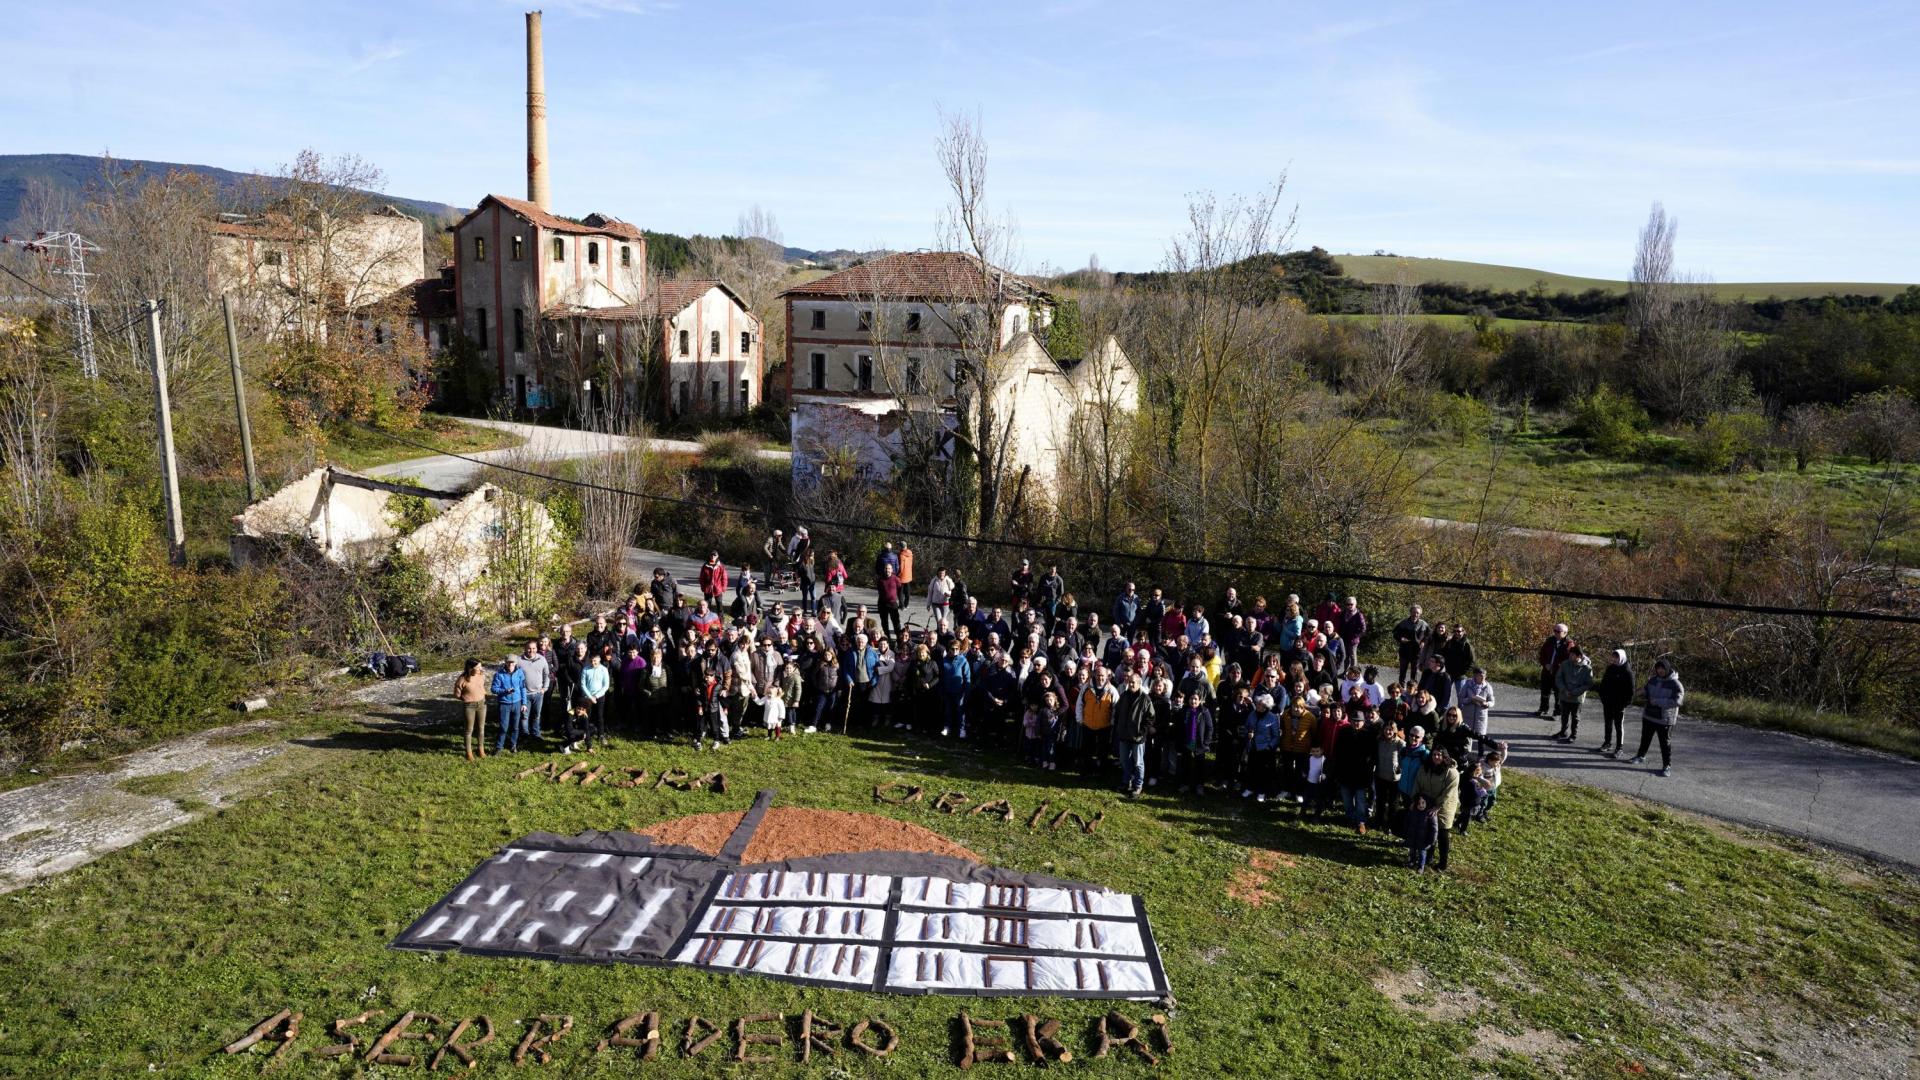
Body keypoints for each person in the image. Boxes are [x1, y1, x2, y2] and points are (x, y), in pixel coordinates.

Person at [1632, 658, 1684, 776]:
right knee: (1645, 738)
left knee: (1665, 744)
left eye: (1662, 668)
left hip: (1665, 719)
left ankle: (1667, 766)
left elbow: (1678, 701)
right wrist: (1640, 693)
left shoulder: (1675, 684)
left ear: (1667, 668)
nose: (1660, 671)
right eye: (1658, 668)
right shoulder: (1653, 680)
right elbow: (1647, 692)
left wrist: (1659, 701)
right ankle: (1640, 756)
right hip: (1649, 715)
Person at [1413, 749, 1461, 871]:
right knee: (1429, 830)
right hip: (1427, 803)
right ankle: (1429, 857)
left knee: (1442, 833)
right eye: (1434, 754)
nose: (1436, 757)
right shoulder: (1425, 767)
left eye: (1439, 754)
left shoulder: (1452, 772)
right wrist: (1416, 799)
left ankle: (1443, 863)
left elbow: (1448, 793)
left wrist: (1438, 806)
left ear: (1445, 756)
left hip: (1444, 806)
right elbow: (1417, 783)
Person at [1113, 670, 1154, 797]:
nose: (1131, 685)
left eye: (1133, 683)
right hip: (1124, 735)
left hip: (1137, 737)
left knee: (1138, 762)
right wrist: (1118, 727)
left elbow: (1150, 717)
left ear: (1139, 683)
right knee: (1124, 760)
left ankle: (1138, 785)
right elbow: (1118, 711)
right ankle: (1126, 782)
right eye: (1129, 682)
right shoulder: (1124, 695)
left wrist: (1142, 732)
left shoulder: (1145, 698)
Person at [1076, 666, 1118, 776]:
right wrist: (1080, 719)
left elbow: (1115, 708)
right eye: (1098, 675)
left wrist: (1112, 722)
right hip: (1088, 724)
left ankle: (1101, 772)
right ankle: (1086, 771)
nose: (1100, 678)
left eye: (1103, 676)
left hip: (1104, 726)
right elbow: (1079, 704)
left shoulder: (1112, 690)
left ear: (1107, 676)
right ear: (1094, 675)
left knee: (1103, 751)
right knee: (1087, 750)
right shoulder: (1086, 687)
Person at [1553, 644, 1594, 743]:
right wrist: (1564, 690)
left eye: (1572, 655)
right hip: (1564, 695)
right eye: (1570, 654)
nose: (1570, 656)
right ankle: (1563, 731)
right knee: (1564, 715)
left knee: (1575, 717)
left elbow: (1588, 684)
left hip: (1577, 698)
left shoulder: (1587, 669)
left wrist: (1574, 692)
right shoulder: (1565, 664)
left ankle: (1573, 735)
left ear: (1579, 656)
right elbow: (1558, 678)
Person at [1598, 649, 1635, 757]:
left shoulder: (1627, 672)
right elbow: (1603, 684)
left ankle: (1619, 748)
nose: (1614, 659)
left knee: (1618, 726)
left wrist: (1625, 704)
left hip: (1619, 704)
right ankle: (1607, 743)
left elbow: (1631, 691)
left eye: (1617, 657)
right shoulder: (1610, 668)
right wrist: (1603, 697)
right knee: (1608, 724)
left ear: (1622, 657)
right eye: (1613, 657)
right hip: (1608, 702)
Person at [491, 654, 528, 754]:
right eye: (508, 662)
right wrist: (505, 691)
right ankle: (499, 747)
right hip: (504, 704)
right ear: (505, 662)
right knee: (504, 727)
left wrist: (524, 703)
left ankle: (513, 745)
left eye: (512, 662)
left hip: (517, 703)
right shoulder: (499, 674)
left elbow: (523, 688)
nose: (510, 664)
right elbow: (494, 689)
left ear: (516, 663)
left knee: (515, 727)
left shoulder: (520, 673)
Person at [1536, 622, 1574, 718]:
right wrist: (1545, 664)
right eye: (1555, 631)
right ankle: (1543, 709)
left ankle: (1557, 712)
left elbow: (1571, 660)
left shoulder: (1569, 644)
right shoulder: (1550, 641)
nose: (1556, 633)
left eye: (1558, 631)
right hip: (1547, 671)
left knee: (1558, 694)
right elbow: (1542, 654)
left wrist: (1558, 667)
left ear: (1565, 633)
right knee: (1545, 691)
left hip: (1559, 673)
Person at [574, 653, 609, 753]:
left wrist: (596, 696)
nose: (593, 663)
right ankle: (584, 735)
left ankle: (601, 735)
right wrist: (590, 697)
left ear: (599, 660)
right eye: (592, 661)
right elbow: (583, 684)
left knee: (599, 716)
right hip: (587, 697)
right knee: (586, 717)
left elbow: (606, 685)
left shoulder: (604, 670)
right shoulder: (585, 669)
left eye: (595, 661)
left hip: (599, 696)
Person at [454, 658, 488, 760]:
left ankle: (481, 749)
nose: (480, 669)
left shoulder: (481, 675)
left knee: (481, 728)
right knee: (469, 730)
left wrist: (483, 694)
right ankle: (469, 753)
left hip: (482, 704)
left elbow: (481, 686)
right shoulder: (462, 679)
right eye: (477, 667)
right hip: (469, 706)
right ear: (470, 668)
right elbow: (456, 694)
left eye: (480, 666)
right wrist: (466, 699)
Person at [518, 639, 551, 743]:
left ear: (536, 649)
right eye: (529, 648)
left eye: (533, 648)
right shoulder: (519, 660)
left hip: (538, 693)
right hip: (524, 694)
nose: (531, 650)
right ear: (525, 648)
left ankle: (536, 734)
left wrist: (545, 688)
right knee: (524, 716)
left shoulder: (541, 659)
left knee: (536, 715)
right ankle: (525, 735)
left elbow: (547, 674)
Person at [1455, 667, 1496, 750]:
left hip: (1481, 716)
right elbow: (1461, 698)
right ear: (1475, 676)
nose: (1482, 678)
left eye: (1484, 676)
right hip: (1467, 715)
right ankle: (1466, 753)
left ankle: (1480, 757)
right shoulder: (1467, 684)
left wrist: (1487, 704)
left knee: (1481, 737)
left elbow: (1492, 701)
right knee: (1466, 735)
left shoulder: (1488, 687)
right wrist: (1470, 699)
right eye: (1480, 676)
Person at [1392, 604, 1429, 687]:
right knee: (1402, 672)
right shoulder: (1404, 623)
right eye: (1414, 612)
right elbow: (1395, 633)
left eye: (1417, 613)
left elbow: (1428, 635)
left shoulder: (1424, 624)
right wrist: (1401, 638)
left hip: (1417, 652)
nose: (1415, 614)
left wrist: (1423, 642)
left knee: (1414, 673)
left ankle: (1413, 690)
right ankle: (1401, 689)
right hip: (1404, 651)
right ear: (1410, 612)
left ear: (1420, 614)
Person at [1403, 793, 1440, 872]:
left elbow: (1434, 829)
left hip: (1423, 840)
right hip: (1413, 837)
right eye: (1418, 803)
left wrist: (1432, 840)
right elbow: (1408, 822)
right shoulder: (1413, 811)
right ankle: (1411, 861)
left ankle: (1421, 866)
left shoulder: (1430, 814)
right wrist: (1406, 833)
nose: (1421, 805)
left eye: (1423, 802)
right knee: (1412, 851)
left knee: (1422, 853)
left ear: (1427, 803)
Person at [876, 564, 903, 638]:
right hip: (882, 603)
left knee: (896, 623)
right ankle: (887, 638)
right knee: (884, 623)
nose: (887, 570)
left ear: (892, 570)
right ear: (884, 570)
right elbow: (879, 591)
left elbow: (900, 590)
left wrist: (901, 602)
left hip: (892, 604)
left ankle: (899, 638)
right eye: (886, 568)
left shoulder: (896, 579)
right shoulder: (880, 579)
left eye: (889, 568)